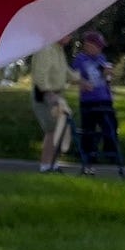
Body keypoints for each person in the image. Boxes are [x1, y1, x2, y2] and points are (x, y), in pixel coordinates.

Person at [29, 39, 76, 171]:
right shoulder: (46, 49)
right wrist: (48, 93)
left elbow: (65, 71)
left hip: (56, 95)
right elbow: (40, 75)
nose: (69, 37)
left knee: (61, 127)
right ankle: (45, 165)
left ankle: (53, 163)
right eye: (68, 34)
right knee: (52, 129)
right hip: (45, 94)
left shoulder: (58, 50)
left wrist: (81, 80)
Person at [72, 30, 116, 164]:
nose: (99, 49)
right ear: (88, 45)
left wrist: (109, 75)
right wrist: (81, 82)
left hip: (104, 98)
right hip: (89, 100)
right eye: (97, 46)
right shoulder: (80, 60)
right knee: (89, 128)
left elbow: (105, 78)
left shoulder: (102, 58)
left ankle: (111, 153)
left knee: (110, 125)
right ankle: (88, 153)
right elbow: (74, 77)